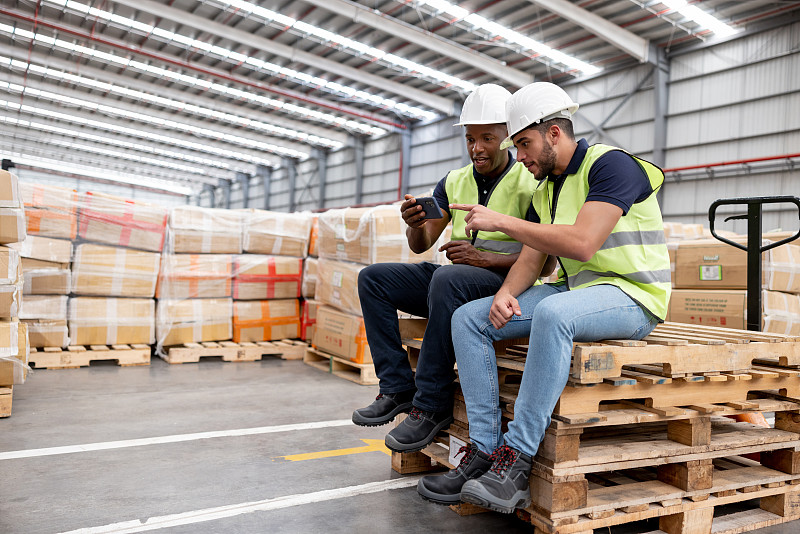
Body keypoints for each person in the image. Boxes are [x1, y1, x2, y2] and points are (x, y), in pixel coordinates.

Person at [416, 82, 671, 511]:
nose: (521, 157)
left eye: (524, 143)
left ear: (554, 133)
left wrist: (502, 221)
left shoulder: (612, 166)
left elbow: (583, 243)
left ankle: (516, 461)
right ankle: (483, 451)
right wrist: (506, 294)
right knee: (468, 318)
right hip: (576, 292)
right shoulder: (546, 187)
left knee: (554, 313)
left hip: (633, 296)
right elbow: (533, 260)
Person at [352, 84, 547, 456]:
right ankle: (396, 387)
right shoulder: (455, 180)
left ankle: (431, 404)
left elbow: (546, 260)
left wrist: (484, 259)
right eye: (470, 138)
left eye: (488, 138)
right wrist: (413, 223)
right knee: (373, 279)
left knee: (447, 277)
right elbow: (422, 242)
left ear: (508, 137)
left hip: (505, 283)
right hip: (453, 283)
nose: (477, 148)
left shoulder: (530, 181)